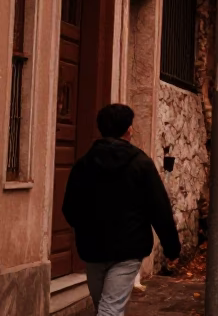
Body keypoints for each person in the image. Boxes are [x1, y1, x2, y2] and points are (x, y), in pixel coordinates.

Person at [61, 103, 180, 316]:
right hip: (128, 248)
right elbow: (159, 209)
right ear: (128, 129)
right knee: (109, 309)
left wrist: (86, 228)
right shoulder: (142, 164)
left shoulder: (83, 165)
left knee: (106, 307)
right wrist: (172, 249)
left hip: (93, 247)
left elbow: (70, 208)